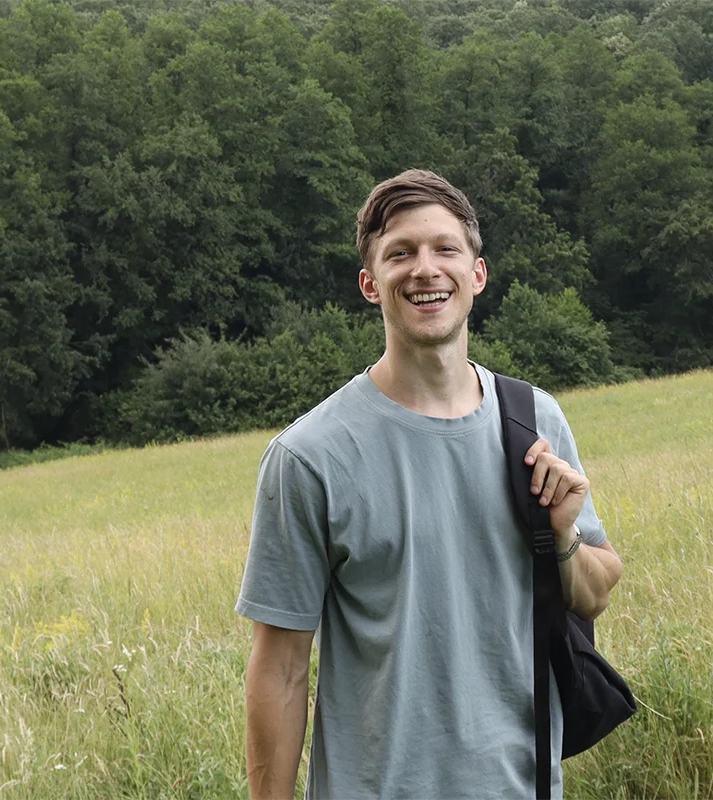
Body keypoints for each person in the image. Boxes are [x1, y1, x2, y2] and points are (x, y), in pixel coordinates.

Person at [235, 169, 623, 800]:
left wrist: (564, 536)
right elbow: (279, 670)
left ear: (477, 274)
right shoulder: (309, 457)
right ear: (370, 283)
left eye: (445, 249)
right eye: (400, 254)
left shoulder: (533, 421)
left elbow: (596, 593)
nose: (425, 269)